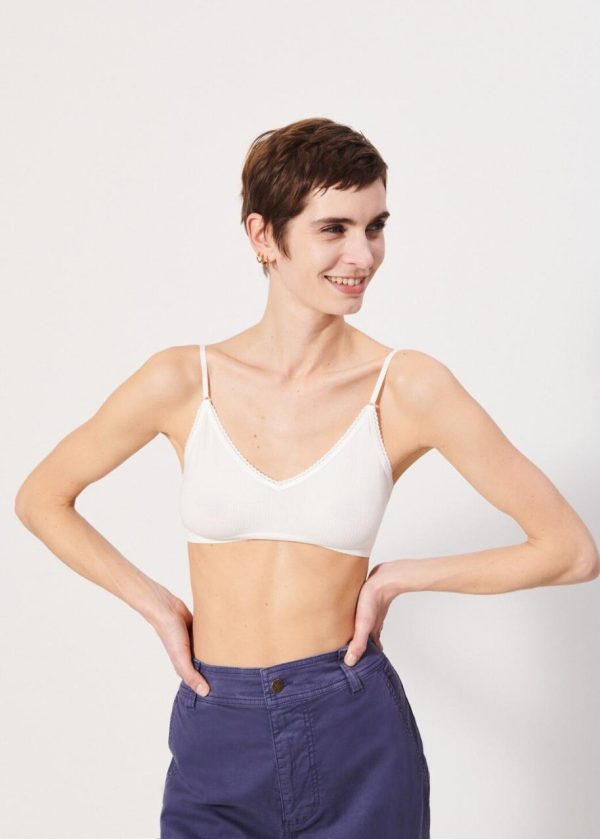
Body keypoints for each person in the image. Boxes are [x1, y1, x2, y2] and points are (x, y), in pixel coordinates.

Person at [15, 117, 599, 839]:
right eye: (334, 229)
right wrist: (158, 605)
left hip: (351, 723)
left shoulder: (406, 386)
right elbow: (42, 497)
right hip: (215, 723)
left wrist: (396, 578)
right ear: (263, 236)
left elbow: (570, 551)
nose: (363, 254)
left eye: (375, 226)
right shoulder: (183, 380)